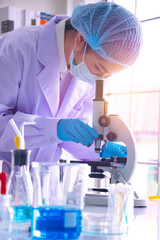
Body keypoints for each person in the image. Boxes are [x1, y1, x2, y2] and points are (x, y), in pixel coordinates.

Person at [0, 2, 142, 173]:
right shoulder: (17, 49)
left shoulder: (84, 72)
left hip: (43, 181)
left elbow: (72, 134)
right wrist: (54, 128)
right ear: (81, 40)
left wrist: (100, 149)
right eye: (98, 68)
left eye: (106, 76)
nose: (98, 80)